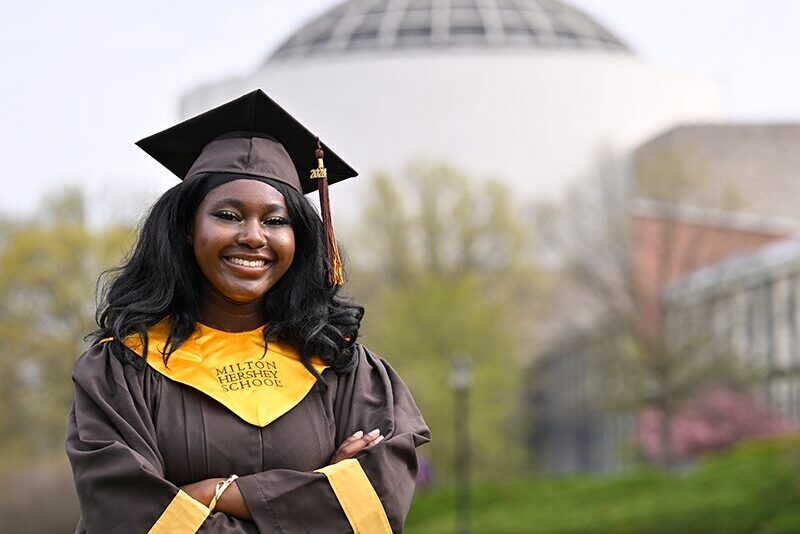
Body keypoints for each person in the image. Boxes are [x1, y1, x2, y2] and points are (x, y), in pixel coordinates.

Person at [65, 89, 430, 533]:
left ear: (299, 239)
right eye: (228, 215)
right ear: (186, 228)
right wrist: (314, 496)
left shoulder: (343, 368)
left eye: (276, 221)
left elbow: (376, 503)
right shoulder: (123, 370)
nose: (254, 236)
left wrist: (213, 494)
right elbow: (127, 515)